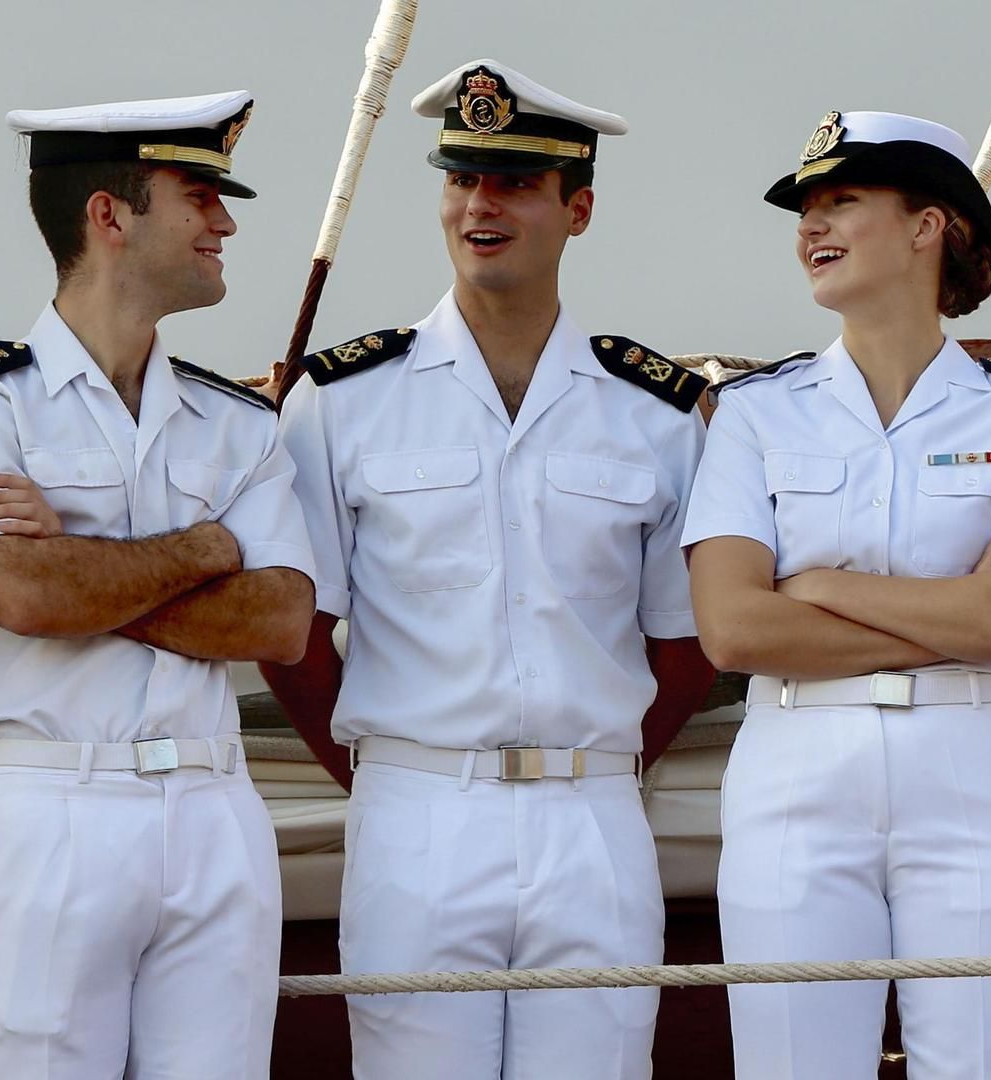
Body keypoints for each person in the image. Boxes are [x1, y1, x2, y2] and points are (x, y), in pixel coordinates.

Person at [261, 60, 713, 1080]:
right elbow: (290, 633)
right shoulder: (343, 399)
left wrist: (603, 761)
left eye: (513, 181)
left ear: (578, 208)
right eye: (462, 178)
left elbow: (688, 640)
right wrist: (384, 768)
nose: (480, 205)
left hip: (593, 820)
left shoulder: (657, 412)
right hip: (417, 814)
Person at [682, 109, 991, 1078]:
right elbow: (733, 628)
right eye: (805, 210)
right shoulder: (753, 413)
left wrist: (818, 590)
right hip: (796, 777)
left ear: (927, 225)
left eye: (841, 202)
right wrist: (957, 616)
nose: (810, 228)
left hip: (976, 777)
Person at [0, 92, 315, 1078]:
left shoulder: (240, 424)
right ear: (109, 215)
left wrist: (86, 560)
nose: (225, 222)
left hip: (217, 814)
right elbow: (25, 599)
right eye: (200, 195)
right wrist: (205, 546)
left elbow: (284, 619)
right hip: (48, 810)